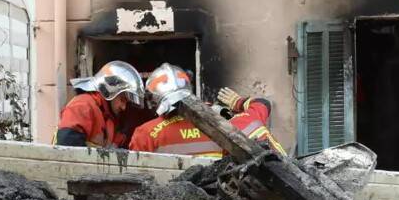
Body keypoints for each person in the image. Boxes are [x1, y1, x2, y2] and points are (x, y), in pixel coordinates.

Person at [129, 63, 286, 156]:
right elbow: (263, 104)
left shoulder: (146, 133)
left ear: (154, 100)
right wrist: (238, 102)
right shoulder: (233, 125)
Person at [54, 60, 144, 148]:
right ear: (110, 91)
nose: (123, 107)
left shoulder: (109, 117)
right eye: (122, 99)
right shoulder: (83, 105)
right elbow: (68, 149)